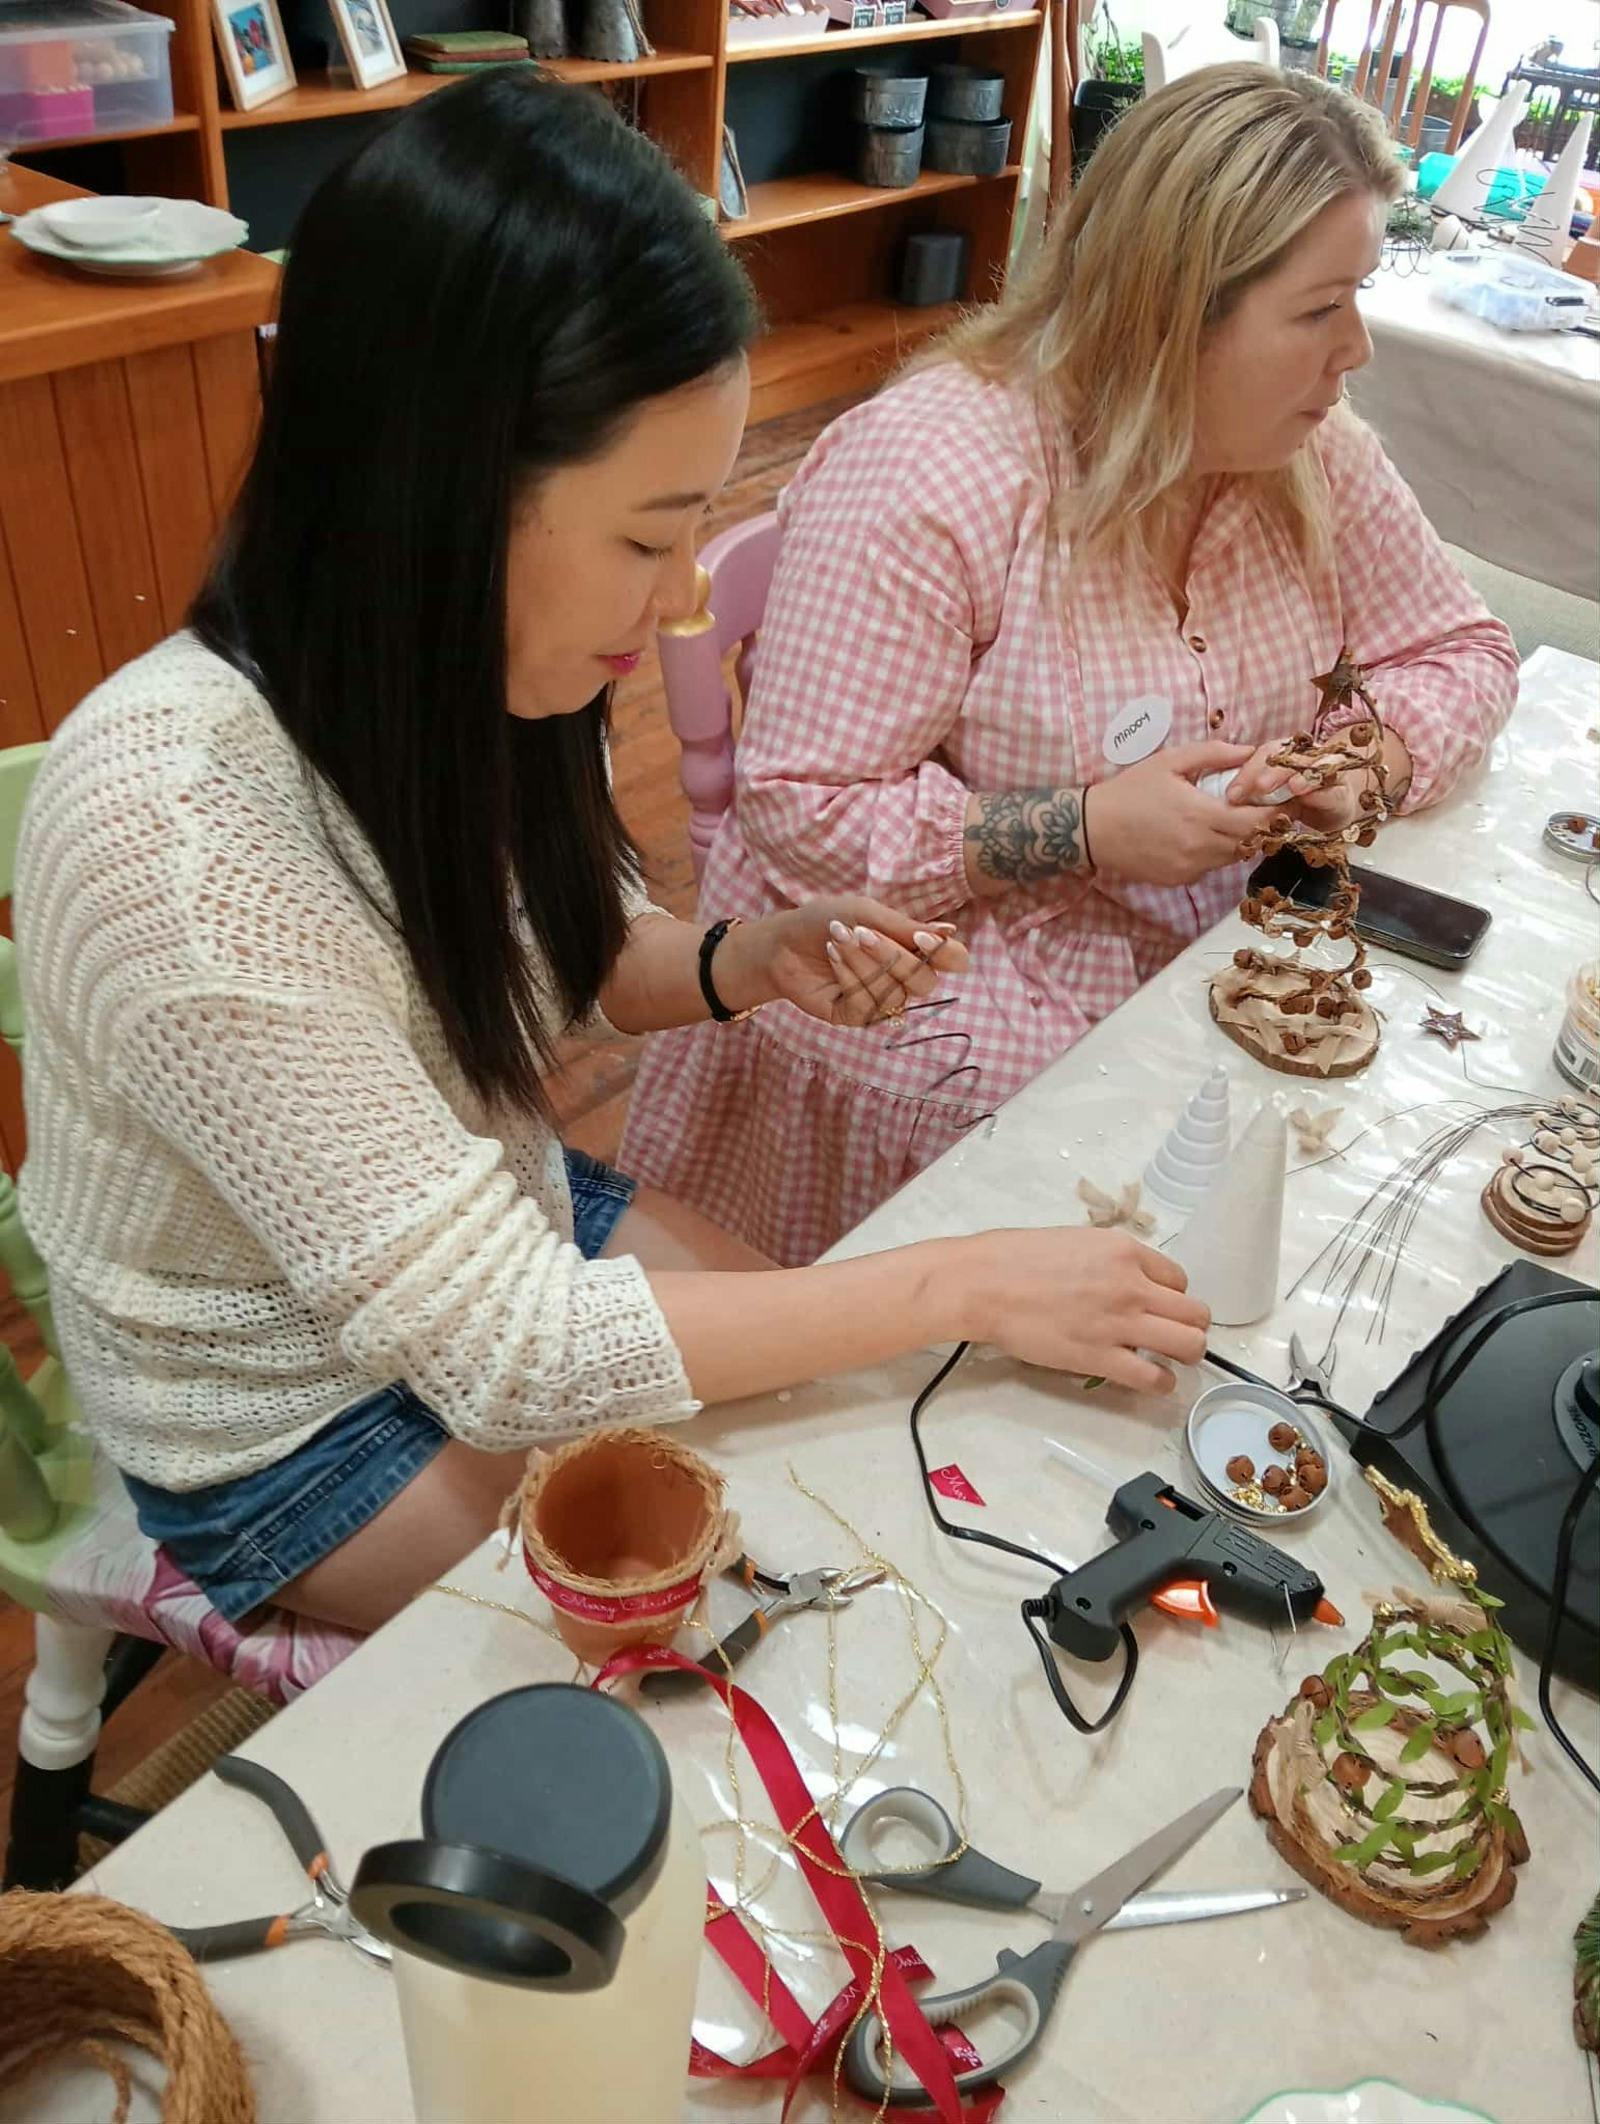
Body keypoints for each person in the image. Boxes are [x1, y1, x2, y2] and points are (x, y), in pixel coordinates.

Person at [13, 76, 1207, 1636]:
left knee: (849, 1421)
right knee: (763, 1574)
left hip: (472, 1233)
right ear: (438, 485)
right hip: (280, 1423)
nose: (675, 612)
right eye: (652, 539)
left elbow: (553, 964)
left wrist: (737, 959)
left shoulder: (461, 668)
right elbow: (510, 1349)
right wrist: (968, 1277)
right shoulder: (180, 840)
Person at [621, 64, 1519, 1265]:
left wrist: (1365, 759)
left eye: (1356, 299)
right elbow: (802, 810)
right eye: (1317, 311)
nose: (1352, 352)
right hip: (924, 946)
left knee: (1355, 1130)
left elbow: (1459, 646)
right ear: (1170, 310)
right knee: (1151, 1178)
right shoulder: (939, 470)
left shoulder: (1308, 450)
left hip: (1188, 930)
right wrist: (1082, 827)